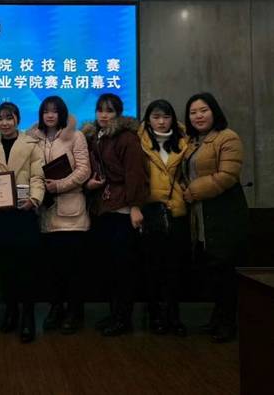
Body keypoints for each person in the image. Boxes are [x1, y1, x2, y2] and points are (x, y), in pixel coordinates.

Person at [0, 102, 45, 343]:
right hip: (0, 217)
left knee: (26, 269)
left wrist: (34, 199)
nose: (4, 123)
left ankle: (28, 316)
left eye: (9, 117)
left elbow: (38, 177)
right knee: (6, 268)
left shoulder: (31, 144)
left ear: (17, 119)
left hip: (24, 215)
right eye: (0, 118)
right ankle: (11, 311)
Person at [183, 92, 248, 343]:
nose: (198, 116)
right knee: (213, 269)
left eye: (204, 110)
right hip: (201, 213)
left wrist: (192, 192)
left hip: (223, 212)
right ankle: (218, 318)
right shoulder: (192, 142)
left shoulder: (227, 137)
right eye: (193, 112)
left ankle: (228, 323)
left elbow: (227, 176)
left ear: (214, 111)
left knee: (226, 269)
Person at [82, 93, 147, 336]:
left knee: (123, 267)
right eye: (100, 110)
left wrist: (135, 206)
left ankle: (123, 319)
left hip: (123, 209)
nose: (104, 115)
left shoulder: (127, 138)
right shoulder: (93, 137)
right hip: (102, 208)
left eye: (109, 111)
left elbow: (135, 173)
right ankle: (114, 314)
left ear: (118, 113)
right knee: (108, 266)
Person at [27, 96, 90, 334]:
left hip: (71, 213)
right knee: (52, 269)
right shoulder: (33, 138)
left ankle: (74, 312)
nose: (50, 115)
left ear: (62, 113)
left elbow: (84, 170)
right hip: (45, 213)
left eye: (54, 111)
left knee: (73, 269)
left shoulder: (76, 136)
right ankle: (56, 308)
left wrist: (59, 186)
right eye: (46, 111)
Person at [138, 99, 189, 336]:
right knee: (152, 266)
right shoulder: (139, 142)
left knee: (175, 267)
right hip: (150, 210)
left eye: (166, 117)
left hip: (177, 210)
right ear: (148, 119)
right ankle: (155, 314)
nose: (161, 122)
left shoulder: (185, 142)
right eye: (156, 117)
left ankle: (173, 315)